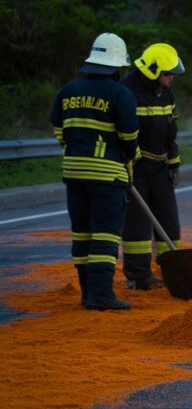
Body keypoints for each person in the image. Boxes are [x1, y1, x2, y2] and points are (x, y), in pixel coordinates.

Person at [50, 33, 139, 310]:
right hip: (106, 175)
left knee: (82, 233)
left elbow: (59, 131)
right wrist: (131, 156)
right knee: (105, 235)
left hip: (74, 171)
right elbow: (129, 135)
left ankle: (87, 292)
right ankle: (101, 296)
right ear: (118, 65)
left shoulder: (68, 90)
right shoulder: (120, 94)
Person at [120, 43, 185, 290]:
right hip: (137, 167)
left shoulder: (166, 93)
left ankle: (174, 272)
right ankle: (139, 276)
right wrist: (128, 164)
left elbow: (171, 132)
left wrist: (173, 164)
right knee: (136, 224)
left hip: (159, 169)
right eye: (168, 74)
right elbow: (125, 132)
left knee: (169, 220)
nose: (172, 78)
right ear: (153, 71)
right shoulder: (127, 91)